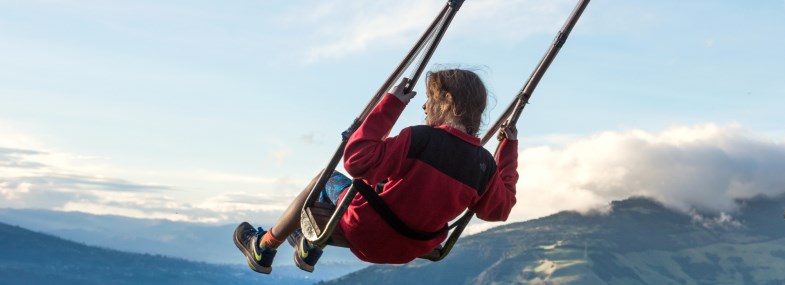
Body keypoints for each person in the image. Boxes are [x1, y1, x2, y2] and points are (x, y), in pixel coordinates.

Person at [233, 68, 518, 274]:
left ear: (445, 100)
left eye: (430, 98)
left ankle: (264, 247)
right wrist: (508, 147)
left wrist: (391, 106)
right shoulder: (483, 165)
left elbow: (357, 160)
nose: (423, 105)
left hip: (367, 230)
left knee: (324, 179)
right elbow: (499, 209)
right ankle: (308, 250)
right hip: (413, 247)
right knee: (387, 185)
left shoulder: (419, 139)